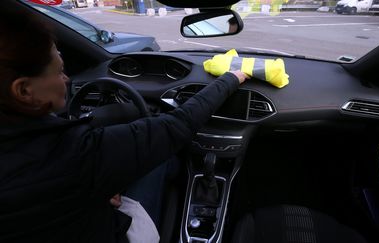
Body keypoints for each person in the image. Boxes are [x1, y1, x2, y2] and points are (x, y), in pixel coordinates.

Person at [0, 7, 249, 243]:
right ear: (24, 90)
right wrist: (231, 78)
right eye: (59, 71)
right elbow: (176, 127)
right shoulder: (76, 153)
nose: (66, 79)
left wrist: (93, 191)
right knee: (160, 160)